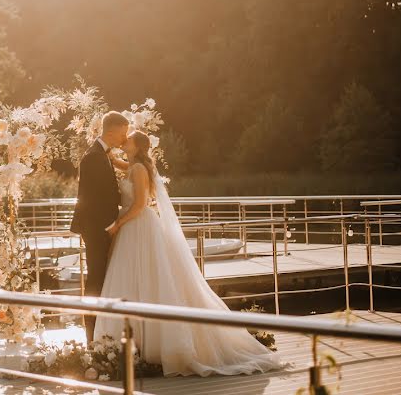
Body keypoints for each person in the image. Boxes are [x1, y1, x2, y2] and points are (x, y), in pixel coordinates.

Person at [94, 130, 283, 376]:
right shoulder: (132, 165)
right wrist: (104, 148)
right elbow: (117, 163)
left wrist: (118, 224)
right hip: (132, 228)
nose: (124, 141)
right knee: (135, 280)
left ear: (137, 146)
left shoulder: (139, 169)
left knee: (151, 279)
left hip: (139, 225)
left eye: (127, 139)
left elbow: (140, 204)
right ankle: (138, 342)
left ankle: (156, 344)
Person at [70, 111, 129, 344]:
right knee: (95, 278)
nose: (124, 139)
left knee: (101, 277)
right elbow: (93, 199)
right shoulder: (94, 157)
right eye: (123, 134)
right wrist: (111, 225)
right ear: (111, 132)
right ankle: (92, 333)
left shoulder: (102, 155)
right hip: (97, 228)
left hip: (102, 227)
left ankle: (101, 330)